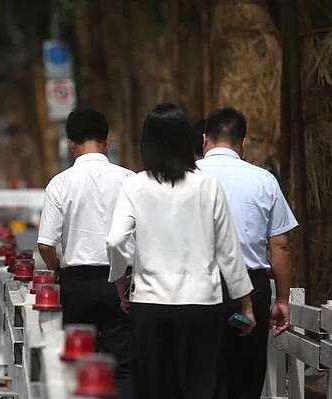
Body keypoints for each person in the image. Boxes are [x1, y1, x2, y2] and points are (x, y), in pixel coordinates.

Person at [106, 103, 256, 399]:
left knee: (153, 389)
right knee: (202, 389)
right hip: (202, 306)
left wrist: (120, 281)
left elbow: (114, 241)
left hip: (149, 306)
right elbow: (228, 250)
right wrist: (246, 304)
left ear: (146, 143)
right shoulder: (208, 186)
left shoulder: (135, 186)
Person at [197, 107, 299, 399]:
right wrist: (281, 299)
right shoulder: (263, 180)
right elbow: (280, 245)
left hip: (197, 293)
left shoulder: (189, 177)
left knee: (202, 374)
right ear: (243, 143)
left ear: (205, 139)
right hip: (248, 298)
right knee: (245, 374)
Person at [37, 108, 135, 398]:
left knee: (79, 361)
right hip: (123, 281)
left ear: (71, 143)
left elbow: (46, 244)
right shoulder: (130, 179)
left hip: (77, 283)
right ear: (107, 141)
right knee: (125, 363)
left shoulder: (60, 183)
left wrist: (56, 267)